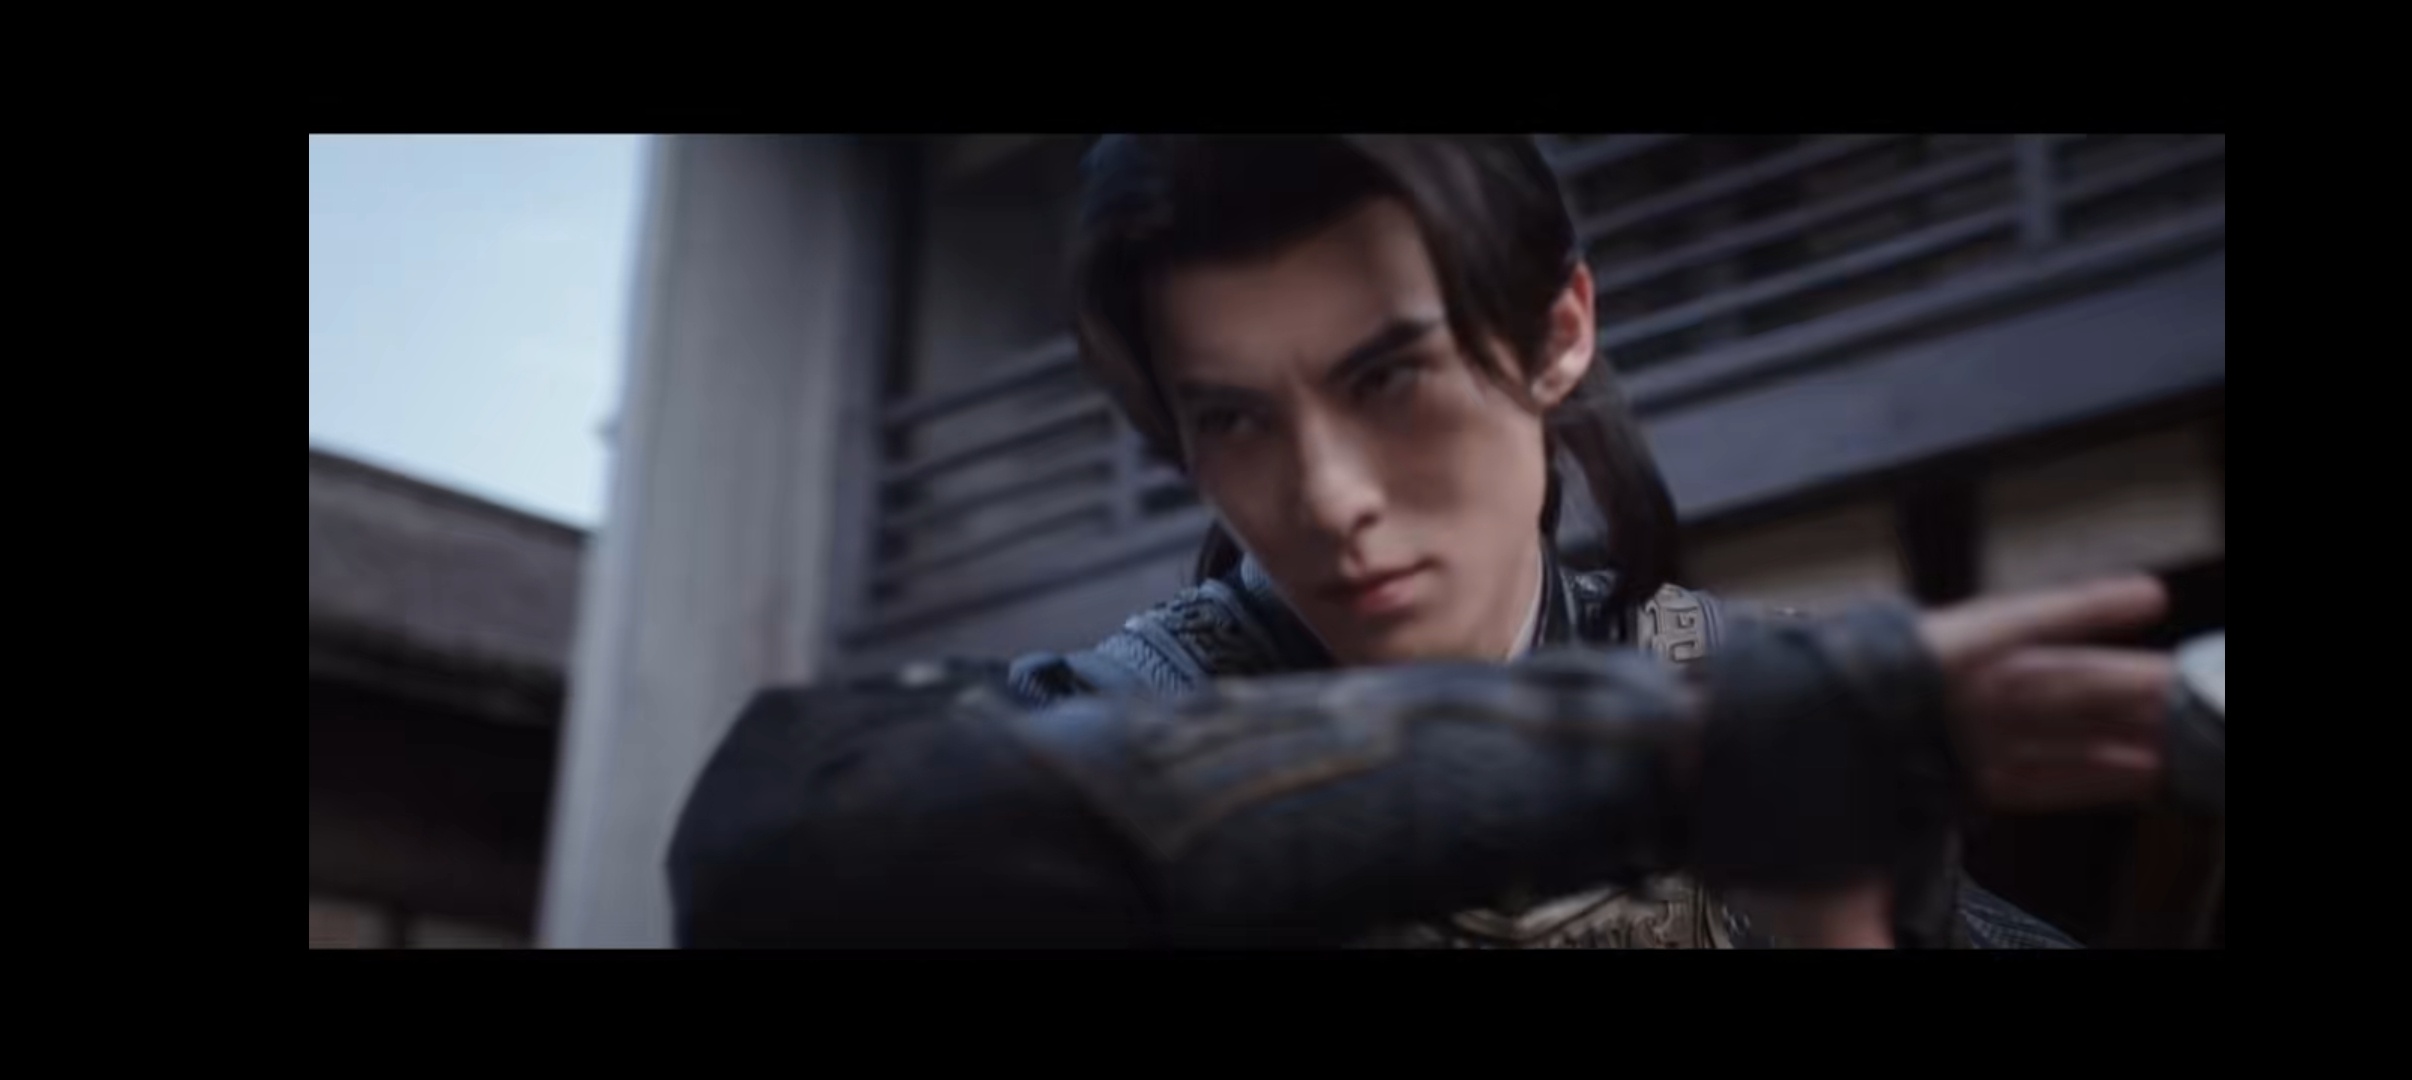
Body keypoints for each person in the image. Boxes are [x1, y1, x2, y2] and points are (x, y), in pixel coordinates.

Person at [666, 136, 2185, 949]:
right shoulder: (1138, 707)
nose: (1327, 497)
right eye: (1233, 418)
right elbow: (777, 856)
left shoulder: (1734, 665)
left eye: (1389, 379)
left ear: (1557, 331)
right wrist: (1661, 756)